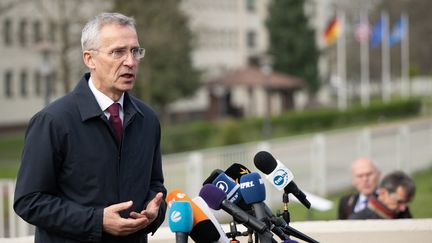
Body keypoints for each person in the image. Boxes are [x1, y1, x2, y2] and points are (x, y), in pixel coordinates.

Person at [14, 12, 167, 243]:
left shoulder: (148, 119)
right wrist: (97, 220)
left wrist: (154, 211)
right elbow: (29, 201)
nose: (131, 61)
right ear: (89, 59)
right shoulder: (53, 121)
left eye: (135, 51)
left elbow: (155, 186)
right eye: (118, 52)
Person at [349, 170, 416, 219]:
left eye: (406, 203)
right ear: (383, 193)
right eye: (399, 202)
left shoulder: (405, 217)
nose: (403, 208)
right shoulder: (359, 220)